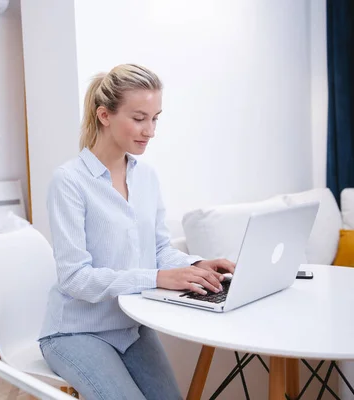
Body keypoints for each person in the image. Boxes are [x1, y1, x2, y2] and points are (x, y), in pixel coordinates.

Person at [38, 64, 236, 400]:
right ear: (104, 115)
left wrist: (197, 264)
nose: (151, 130)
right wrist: (158, 277)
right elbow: (75, 279)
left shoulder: (146, 177)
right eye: (139, 118)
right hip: (76, 332)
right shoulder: (69, 181)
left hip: (132, 328)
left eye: (155, 118)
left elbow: (159, 249)